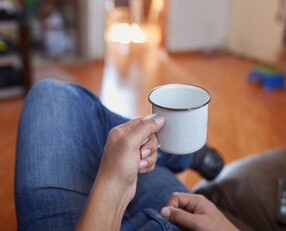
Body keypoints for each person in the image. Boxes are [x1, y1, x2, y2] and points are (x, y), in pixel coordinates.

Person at [15, 79, 238, 231]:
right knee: (145, 165)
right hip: (167, 218)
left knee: (52, 95)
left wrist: (113, 186)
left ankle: (182, 154)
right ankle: (184, 153)